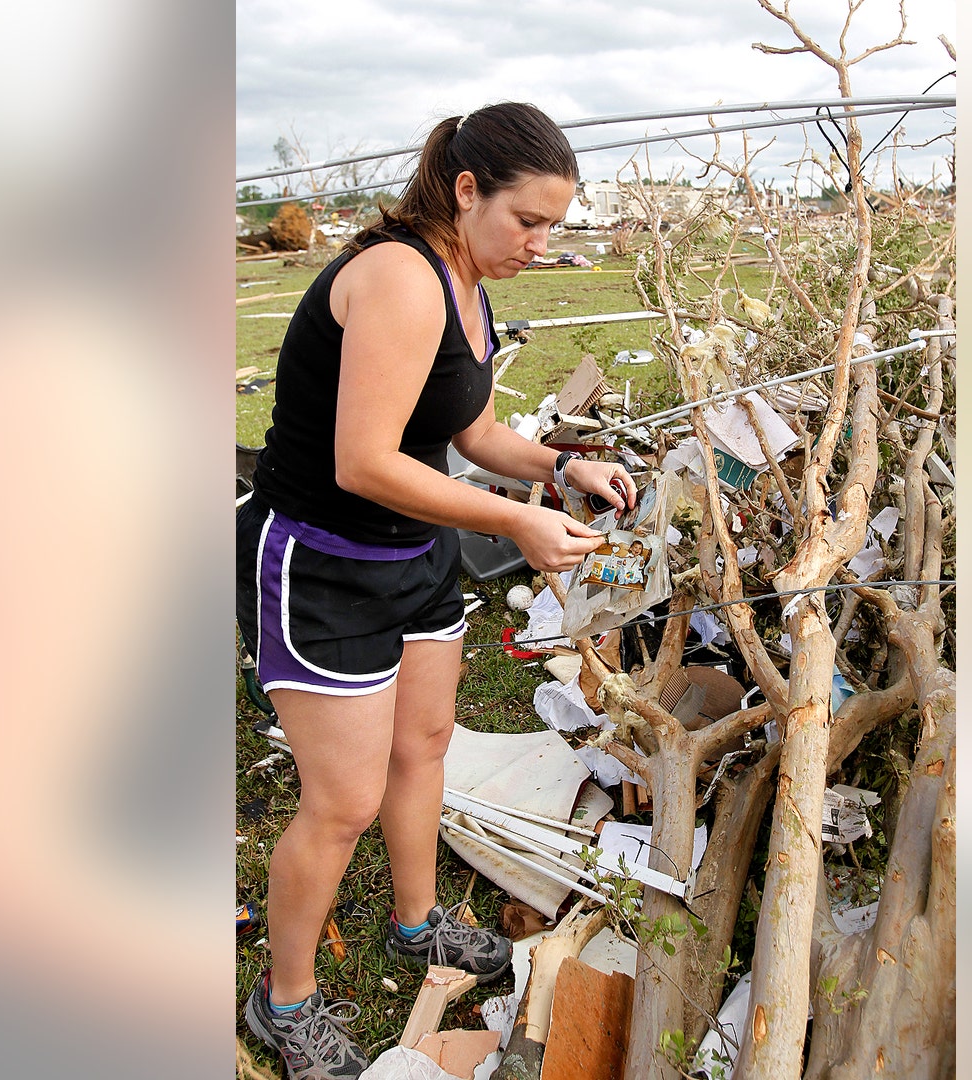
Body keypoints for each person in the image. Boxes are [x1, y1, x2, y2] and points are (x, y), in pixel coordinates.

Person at [236, 102, 635, 1080]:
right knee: (342, 801)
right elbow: (364, 460)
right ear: (466, 190)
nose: (541, 245)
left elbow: (470, 432)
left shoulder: (468, 280)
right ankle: (280, 1002)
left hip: (415, 558)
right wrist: (512, 521)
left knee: (422, 745)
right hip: (324, 565)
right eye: (528, 222)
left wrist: (554, 468)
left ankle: (418, 929)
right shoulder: (398, 280)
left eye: (555, 227)